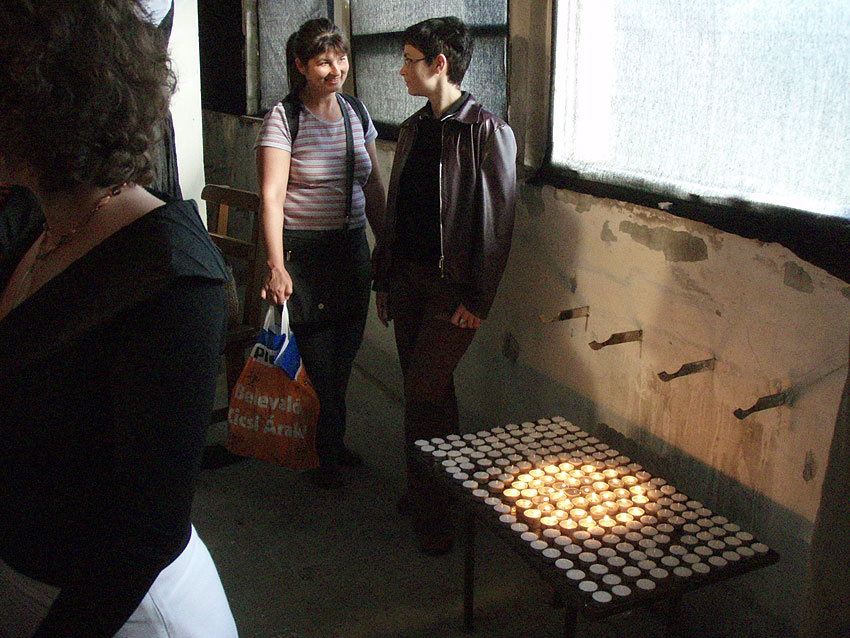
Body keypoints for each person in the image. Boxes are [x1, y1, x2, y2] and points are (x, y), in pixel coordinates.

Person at [0, 2, 238, 636]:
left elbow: (146, 528)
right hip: (25, 576)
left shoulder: (172, 274)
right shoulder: (32, 229)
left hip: (127, 613)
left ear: (44, 103)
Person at [372, 16, 517, 555]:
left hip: (450, 291)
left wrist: (477, 299)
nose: (402, 70)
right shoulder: (414, 127)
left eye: (410, 60)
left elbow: (497, 225)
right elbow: (397, 212)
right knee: (433, 394)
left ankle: (433, 513)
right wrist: (383, 279)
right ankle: (435, 490)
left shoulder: (487, 131)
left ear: (440, 65)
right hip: (407, 281)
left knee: (422, 392)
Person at [256, 18, 386, 489]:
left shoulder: (356, 112)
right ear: (301, 66)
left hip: (351, 250)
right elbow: (272, 197)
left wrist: (385, 244)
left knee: (345, 356)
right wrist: (276, 265)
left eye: (341, 58)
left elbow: (372, 185)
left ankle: (330, 439)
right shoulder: (284, 117)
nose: (336, 70)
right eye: (323, 62)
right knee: (317, 359)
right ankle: (322, 452)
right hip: (305, 255)